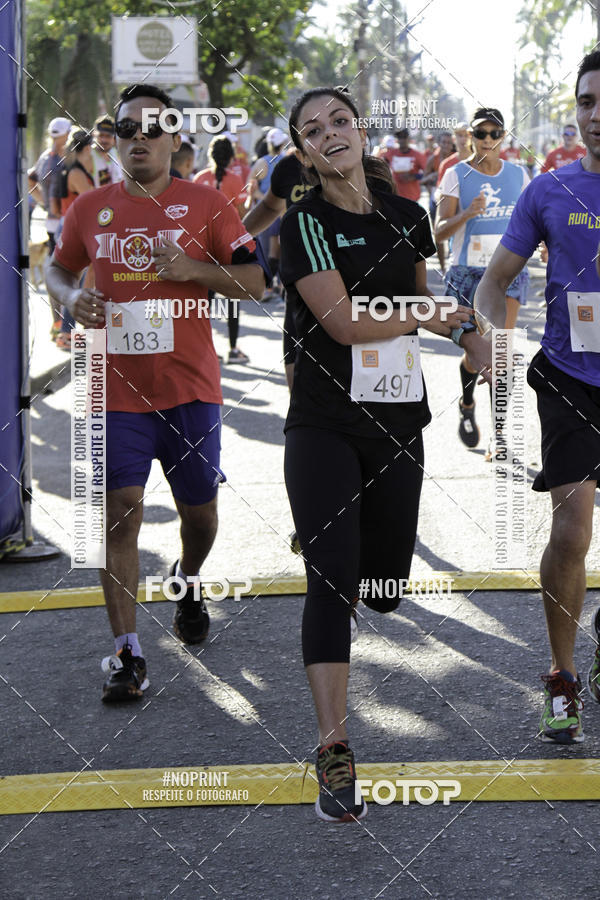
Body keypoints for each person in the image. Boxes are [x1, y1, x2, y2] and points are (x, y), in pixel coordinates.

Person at [279, 85, 483, 822]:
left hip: (399, 424)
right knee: (331, 582)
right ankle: (333, 749)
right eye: (313, 129)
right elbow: (339, 322)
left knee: (384, 590)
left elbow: (427, 302)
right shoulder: (304, 223)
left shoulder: (408, 217)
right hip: (325, 424)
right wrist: (433, 313)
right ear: (304, 152)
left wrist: (466, 333)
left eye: (340, 120)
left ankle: (341, 538)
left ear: (361, 132)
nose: (330, 133)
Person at [46, 83, 265, 702]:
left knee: (200, 515)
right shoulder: (89, 208)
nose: (138, 137)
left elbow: (255, 281)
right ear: (112, 138)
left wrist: (191, 270)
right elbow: (57, 268)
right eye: (126, 128)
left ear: (175, 139)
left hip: (190, 389)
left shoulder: (207, 204)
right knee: (121, 516)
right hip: (114, 392)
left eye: (153, 127)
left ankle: (188, 577)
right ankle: (126, 654)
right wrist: (68, 299)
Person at [475, 51, 600, 744]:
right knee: (574, 530)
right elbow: (496, 281)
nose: (596, 114)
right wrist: (492, 332)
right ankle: (560, 676)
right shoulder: (550, 190)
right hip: (570, 378)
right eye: (587, 101)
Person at [435, 107, 529, 453]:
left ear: (503, 137)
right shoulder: (455, 175)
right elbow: (438, 232)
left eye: (494, 133)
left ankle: (499, 435)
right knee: (477, 358)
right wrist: (467, 213)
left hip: (507, 274)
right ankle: (467, 401)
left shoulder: (519, 175)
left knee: (500, 353)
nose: (487, 140)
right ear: (471, 137)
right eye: (480, 133)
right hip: (467, 274)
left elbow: (532, 221)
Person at [243, 148, 310, 389]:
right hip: (299, 287)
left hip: (349, 291)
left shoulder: (365, 169)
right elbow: (270, 208)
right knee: (297, 386)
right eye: (310, 129)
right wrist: (231, 241)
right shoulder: (289, 167)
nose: (327, 133)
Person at [194, 136, 250, 363]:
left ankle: (206, 350)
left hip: (204, 246)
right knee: (232, 300)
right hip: (229, 247)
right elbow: (243, 216)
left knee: (204, 302)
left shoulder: (198, 179)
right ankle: (234, 349)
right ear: (230, 158)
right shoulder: (235, 180)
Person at [31, 116, 72, 338]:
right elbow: (31, 181)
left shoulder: (45, 157)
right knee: (65, 274)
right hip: (62, 223)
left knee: (58, 273)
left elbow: (31, 181)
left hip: (56, 222)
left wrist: (44, 203)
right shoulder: (63, 159)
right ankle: (63, 326)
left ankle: (62, 326)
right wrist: (48, 205)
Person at [248, 127, 288, 300]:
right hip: (281, 212)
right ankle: (268, 288)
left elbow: (250, 187)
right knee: (277, 253)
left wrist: (266, 200)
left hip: (269, 213)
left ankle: (270, 288)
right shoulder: (288, 162)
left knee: (268, 253)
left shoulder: (261, 163)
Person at [388, 128, 425, 201]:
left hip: (412, 197)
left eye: (404, 137)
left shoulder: (417, 155)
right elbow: (381, 167)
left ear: (408, 139)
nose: (402, 140)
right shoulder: (391, 154)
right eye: (399, 137)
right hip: (396, 196)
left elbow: (427, 172)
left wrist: (415, 176)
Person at [90, 115, 123, 187]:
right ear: (94, 135)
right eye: (101, 135)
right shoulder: (88, 155)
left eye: (108, 136)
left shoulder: (116, 153)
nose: (104, 140)